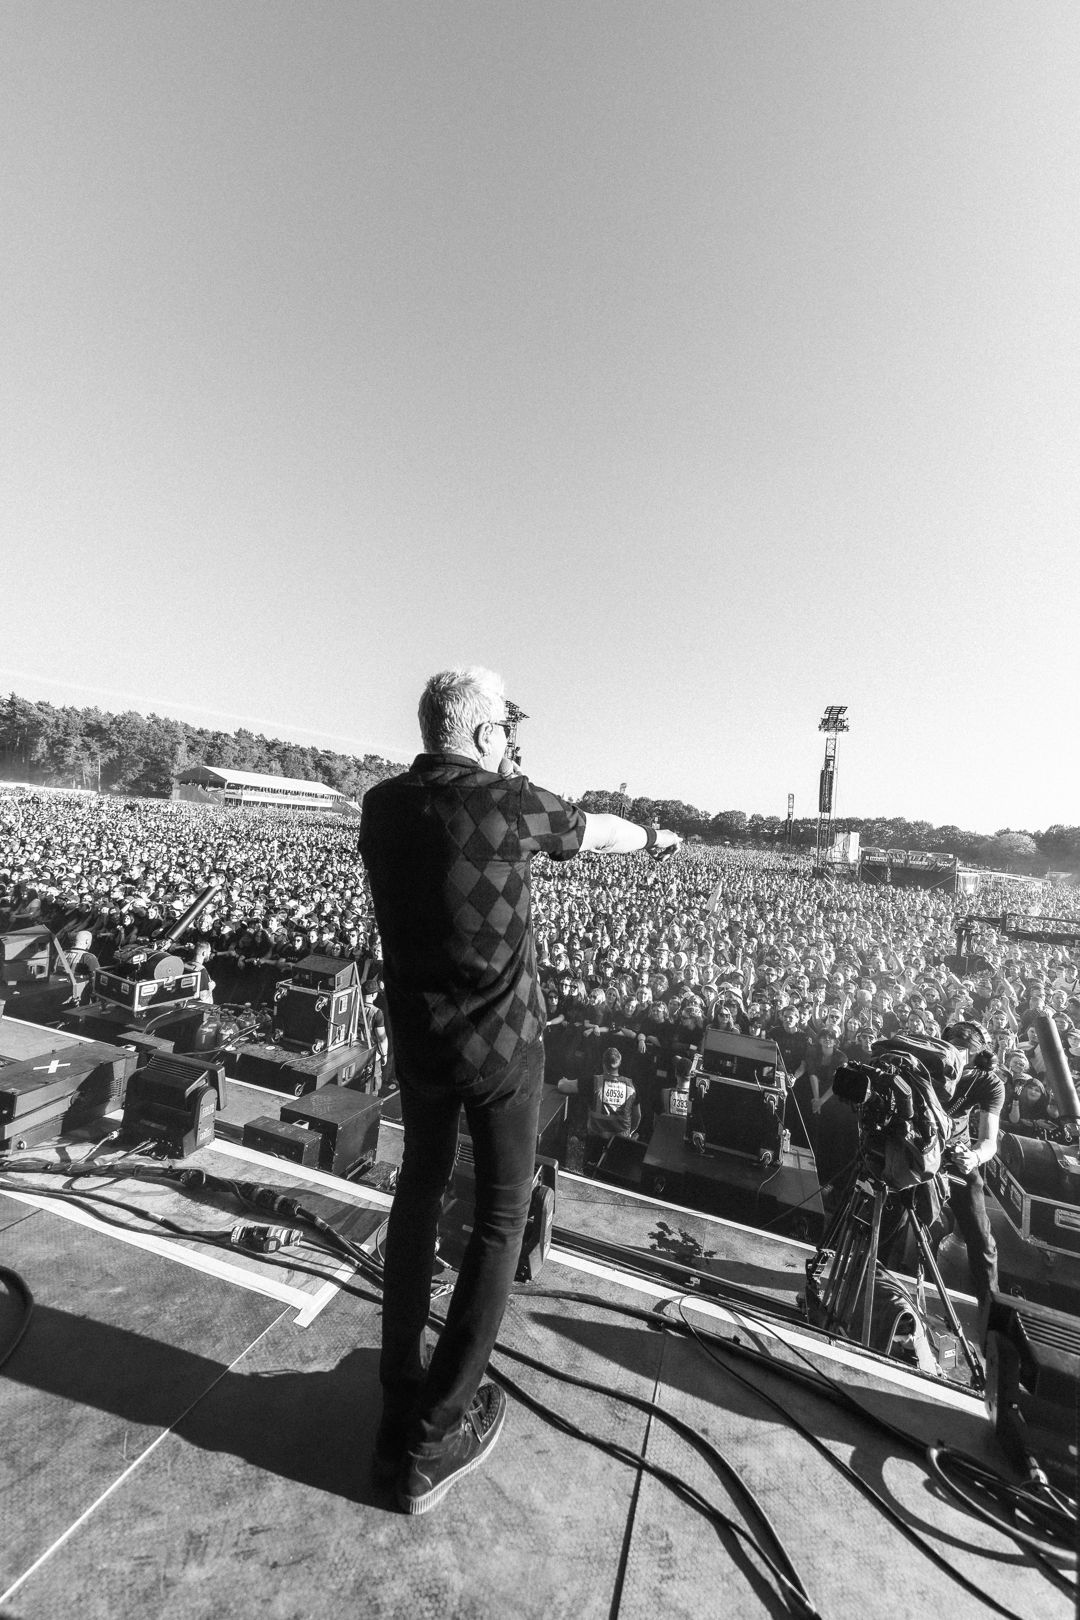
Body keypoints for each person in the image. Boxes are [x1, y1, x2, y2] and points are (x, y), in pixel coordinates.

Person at [359, 665, 680, 1515]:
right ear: (478, 733)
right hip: (501, 1054)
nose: (511, 739)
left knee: (417, 1196)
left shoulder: (382, 806)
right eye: (504, 726)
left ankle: (398, 1408)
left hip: (420, 1048)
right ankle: (436, 1436)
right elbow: (598, 831)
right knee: (501, 1223)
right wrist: (653, 837)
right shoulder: (509, 804)